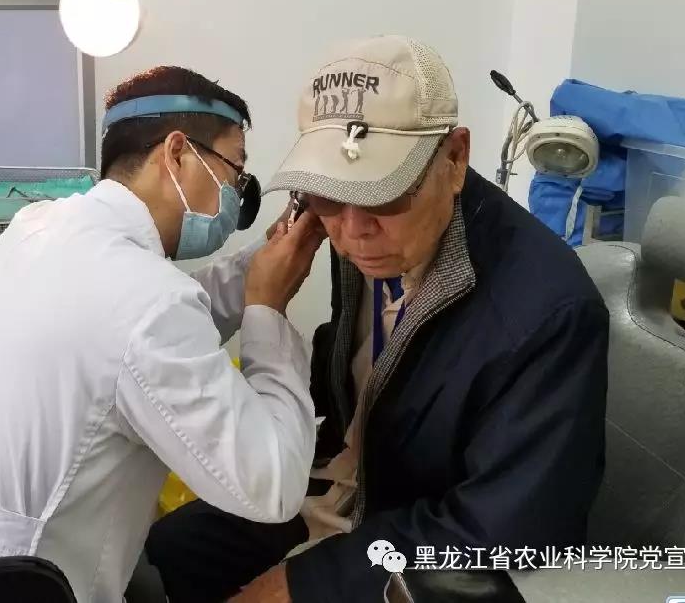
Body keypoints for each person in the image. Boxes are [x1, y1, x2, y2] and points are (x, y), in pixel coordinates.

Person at [146, 36, 610, 602]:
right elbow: (355, 381)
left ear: (455, 158)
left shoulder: (548, 313)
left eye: (385, 195)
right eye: (327, 194)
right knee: (163, 558)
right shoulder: (363, 241)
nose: (353, 231)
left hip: (428, 530)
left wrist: (303, 585)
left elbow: (505, 536)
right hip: (349, 480)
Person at [0, 66, 326, 603]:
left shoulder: (42, 226)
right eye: (235, 172)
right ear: (177, 153)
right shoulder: (146, 300)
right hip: (0, 586)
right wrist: (266, 309)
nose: (237, 196)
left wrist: (259, 264)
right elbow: (272, 486)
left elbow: (133, 338)